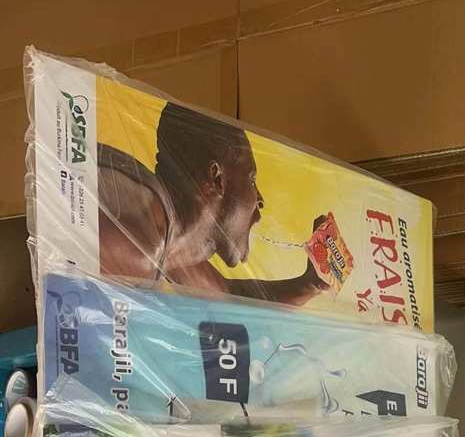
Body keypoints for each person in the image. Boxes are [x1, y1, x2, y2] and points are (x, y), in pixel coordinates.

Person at [98, 102, 332, 306]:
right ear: (217, 178)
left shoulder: (166, 242)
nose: (260, 200)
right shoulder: (137, 246)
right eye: (252, 180)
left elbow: (230, 298)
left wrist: (310, 284)